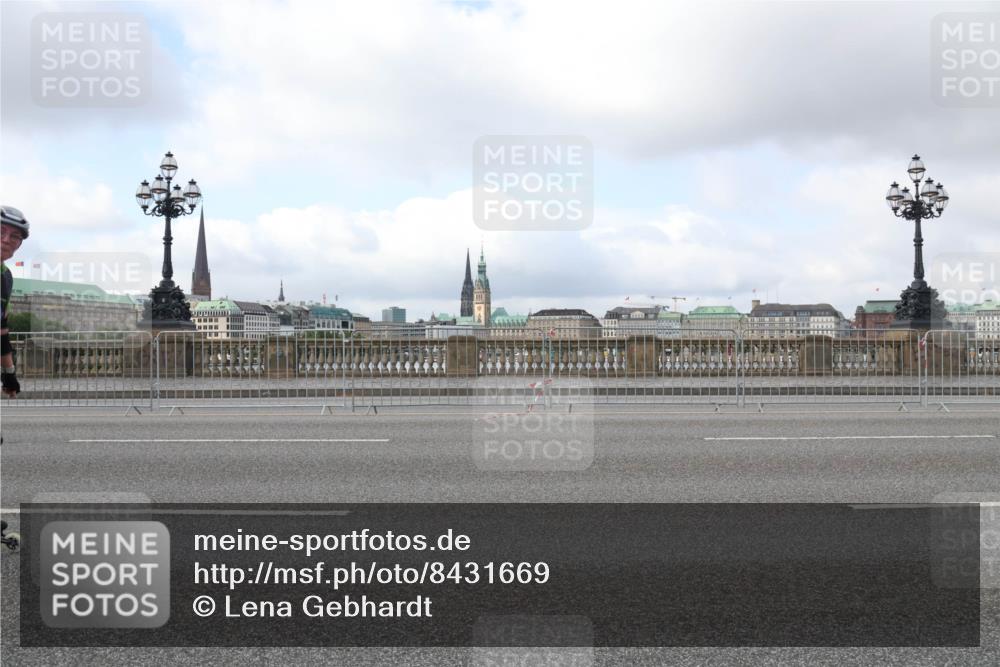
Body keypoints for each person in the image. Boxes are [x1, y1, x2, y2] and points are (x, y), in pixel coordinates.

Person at [1, 205, 30, 399]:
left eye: (14, 236)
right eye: (1, 231)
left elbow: (1, 331)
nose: (6, 240)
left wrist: (9, 374)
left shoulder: (6, 277)